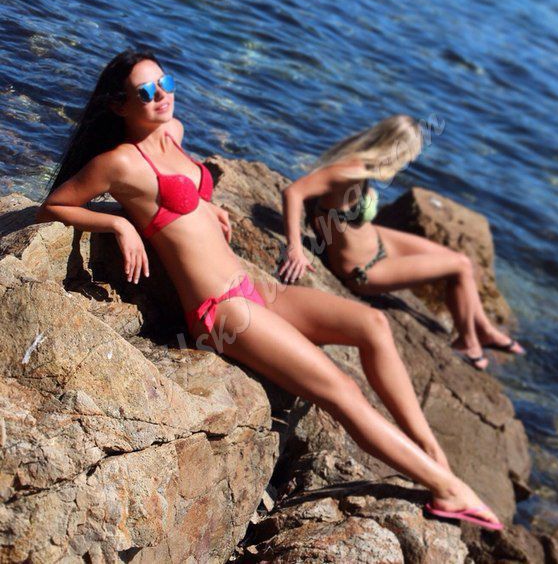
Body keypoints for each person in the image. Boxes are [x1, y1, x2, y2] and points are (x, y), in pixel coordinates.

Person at [35, 48, 503, 531]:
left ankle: (432, 454)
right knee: (340, 391)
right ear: (119, 105)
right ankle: (448, 490)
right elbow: (54, 205)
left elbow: (181, 199)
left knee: (373, 324)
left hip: (251, 286)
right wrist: (119, 225)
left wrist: (204, 206)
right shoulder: (119, 163)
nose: (162, 95)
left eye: (166, 82)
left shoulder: (174, 131)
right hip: (222, 312)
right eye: (146, 91)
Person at [279, 115, 524, 370]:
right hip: (366, 269)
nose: (409, 161)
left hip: (379, 240)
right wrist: (295, 248)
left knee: (464, 263)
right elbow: (293, 192)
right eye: (408, 154)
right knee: (460, 265)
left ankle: (484, 328)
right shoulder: (348, 171)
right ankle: (468, 341)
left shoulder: (364, 164)